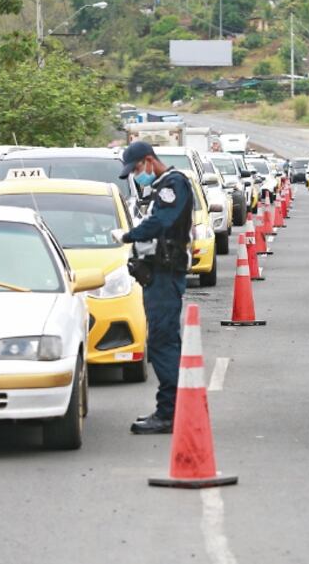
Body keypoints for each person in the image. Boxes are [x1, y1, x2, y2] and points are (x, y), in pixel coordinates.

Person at [112, 140, 193, 435]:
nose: (137, 175)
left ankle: (169, 413)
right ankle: (174, 409)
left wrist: (129, 236)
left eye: (136, 169)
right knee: (163, 340)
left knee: (162, 342)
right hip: (158, 274)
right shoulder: (161, 186)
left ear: (149, 160)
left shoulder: (173, 184)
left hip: (165, 273)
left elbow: (162, 221)